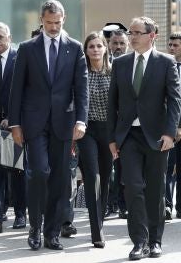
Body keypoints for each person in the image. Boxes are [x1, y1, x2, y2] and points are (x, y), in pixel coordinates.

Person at [8, 0, 88, 251]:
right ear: (41, 20)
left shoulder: (74, 48)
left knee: (60, 178)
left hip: (64, 123)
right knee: (40, 172)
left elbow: (81, 88)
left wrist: (81, 120)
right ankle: (35, 227)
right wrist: (15, 124)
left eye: (58, 22)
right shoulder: (27, 48)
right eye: (49, 22)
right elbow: (16, 90)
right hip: (34, 123)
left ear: (63, 19)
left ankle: (51, 232)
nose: (53, 27)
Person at [107, 16, 181, 260]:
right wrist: (112, 138)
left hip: (157, 137)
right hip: (128, 136)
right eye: (131, 33)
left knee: (155, 190)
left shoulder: (166, 62)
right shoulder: (121, 63)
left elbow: (174, 101)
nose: (132, 37)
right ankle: (139, 242)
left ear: (152, 36)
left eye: (137, 32)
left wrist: (170, 133)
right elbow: (112, 103)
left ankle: (155, 241)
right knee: (133, 188)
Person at [0, 22, 26, 234]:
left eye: (0, 37)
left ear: (9, 37)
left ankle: (20, 213)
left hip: (14, 124)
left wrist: (13, 118)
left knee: (17, 170)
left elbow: (26, 92)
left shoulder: (20, 58)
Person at [77, 32, 112, 249]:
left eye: (99, 46)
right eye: (91, 46)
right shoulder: (81, 72)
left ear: (105, 48)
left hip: (109, 130)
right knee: (92, 176)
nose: (96, 50)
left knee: (106, 176)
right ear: (86, 50)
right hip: (87, 130)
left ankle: (100, 218)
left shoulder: (115, 71)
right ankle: (95, 230)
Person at [105, 29, 129, 219]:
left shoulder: (130, 65)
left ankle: (122, 204)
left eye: (122, 43)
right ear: (109, 44)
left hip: (123, 125)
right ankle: (107, 204)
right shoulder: (101, 63)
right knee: (104, 167)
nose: (118, 47)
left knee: (122, 167)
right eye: (115, 43)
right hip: (102, 123)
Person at [165, 31, 181, 220]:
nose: (171, 48)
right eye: (170, 45)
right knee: (166, 169)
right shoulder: (165, 66)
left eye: (176, 45)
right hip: (167, 127)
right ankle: (167, 206)